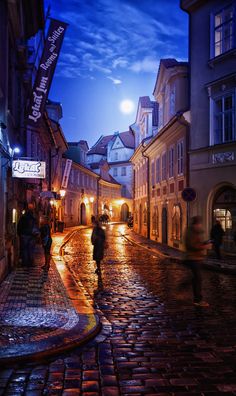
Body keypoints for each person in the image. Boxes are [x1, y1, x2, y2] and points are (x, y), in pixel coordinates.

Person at [184, 216, 212, 307]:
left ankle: (182, 288)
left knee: (194, 278)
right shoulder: (191, 232)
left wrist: (205, 243)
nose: (200, 225)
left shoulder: (195, 232)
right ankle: (197, 300)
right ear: (196, 224)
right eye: (199, 224)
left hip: (197, 258)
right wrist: (204, 246)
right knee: (198, 279)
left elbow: (197, 243)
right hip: (192, 258)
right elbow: (191, 246)